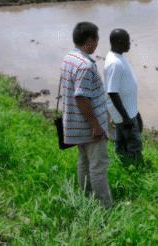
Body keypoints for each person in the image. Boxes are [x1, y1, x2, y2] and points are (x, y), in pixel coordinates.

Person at [60, 21, 112, 208]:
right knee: (98, 167)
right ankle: (105, 207)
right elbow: (81, 97)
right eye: (97, 39)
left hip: (75, 124)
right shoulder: (85, 66)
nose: (97, 43)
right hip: (88, 126)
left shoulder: (69, 58)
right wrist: (96, 125)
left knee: (83, 162)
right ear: (90, 40)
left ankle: (86, 198)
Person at [104, 28, 143, 161]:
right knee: (134, 143)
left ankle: (123, 163)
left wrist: (135, 111)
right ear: (119, 42)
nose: (130, 43)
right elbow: (112, 91)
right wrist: (126, 117)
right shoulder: (114, 63)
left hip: (127, 112)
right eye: (127, 40)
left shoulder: (118, 57)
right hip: (124, 114)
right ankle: (136, 167)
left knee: (121, 142)